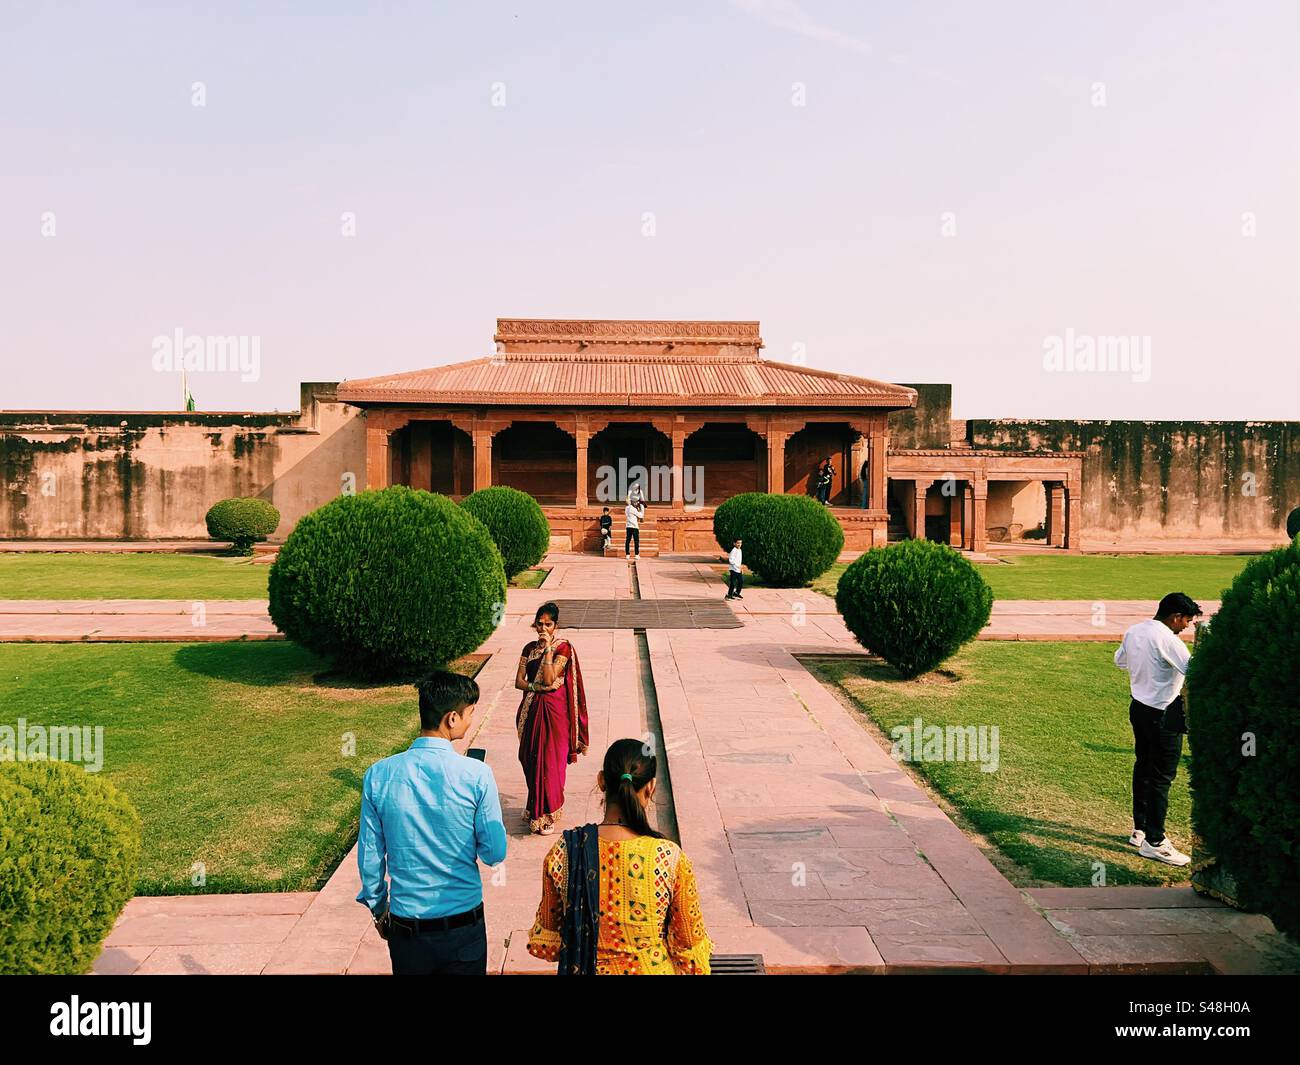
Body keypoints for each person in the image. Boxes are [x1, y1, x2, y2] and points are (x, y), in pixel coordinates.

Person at [356, 671, 507, 975]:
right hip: (462, 928)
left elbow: (371, 858)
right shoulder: (476, 775)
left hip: (406, 930)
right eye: (469, 714)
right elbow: (494, 853)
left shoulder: (379, 775)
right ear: (452, 718)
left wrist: (378, 908)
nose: (470, 721)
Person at [526, 738, 713, 975]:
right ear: (651, 787)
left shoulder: (565, 851)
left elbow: (548, 943)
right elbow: (690, 950)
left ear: (602, 781)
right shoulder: (669, 858)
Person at [1114, 592, 1203, 866]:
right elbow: (1195, 669)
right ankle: (1155, 841)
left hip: (1139, 708)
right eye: (1186, 621)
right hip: (1163, 714)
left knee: (1143, 766)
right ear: (1175, 617)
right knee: (1161, 777)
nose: (1186, 627)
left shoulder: (1135, 630)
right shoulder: (1167, 639)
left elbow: (1120, 661)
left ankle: (1140, 829)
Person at [515, 602, 590, 835]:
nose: (543, 628)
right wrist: (536, 688)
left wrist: (548, 650)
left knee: (550, 763)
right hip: (531, 711)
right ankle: (534, 808)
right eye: (540, 623)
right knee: (529, 758)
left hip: (555, 715)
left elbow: (549, 678)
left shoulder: (563, 648)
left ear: (556, 625)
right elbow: (519, 682)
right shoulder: (528, 649)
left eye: (548, 624)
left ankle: (547, 814)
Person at [624, 495, 645, 560]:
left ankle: (627, 554)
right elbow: (641, 516)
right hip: (634, 527)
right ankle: (636, 554)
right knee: (636, 541)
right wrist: (642, 508)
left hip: (628, 526)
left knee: (628, 540)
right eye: (635, 502)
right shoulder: (632, 509)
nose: (636, 503)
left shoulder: (626, 508)